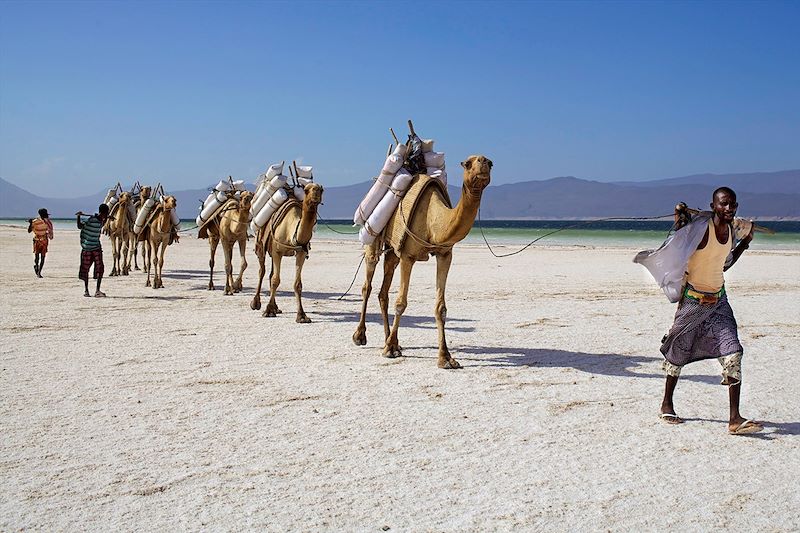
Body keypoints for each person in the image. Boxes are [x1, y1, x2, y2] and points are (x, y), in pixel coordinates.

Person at [634, 187, 761, 435]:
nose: (729, 209)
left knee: (734, 354)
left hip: (719, 301)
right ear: (713, 206)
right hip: (693, 300)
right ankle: (666, 403)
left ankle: (734, 419)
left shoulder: (730, 234)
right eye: (723, 204)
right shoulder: (701, 231)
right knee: (677, 353)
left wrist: (745, 242)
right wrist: (680, 219)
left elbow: (723, 264)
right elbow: (680, 243)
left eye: (732, 205)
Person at [76, 204, 110, 297]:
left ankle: (97, 290)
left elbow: (103, 222)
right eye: (106, 213)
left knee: (100, 269)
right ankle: (86, 290)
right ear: (103, 213)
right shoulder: (91, 220)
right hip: (87, 248)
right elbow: (80, 226)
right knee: (85, 269)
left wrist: (107, 217)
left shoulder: (101, 221)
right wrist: (78, 217)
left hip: (96, 247)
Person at [27, 208, 54, 277]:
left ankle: (39, 272)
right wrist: (30, 223)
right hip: (36, 240)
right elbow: (29, 231)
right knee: (36, 257)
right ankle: (36, 266)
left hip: (44, 241)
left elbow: (50, 230)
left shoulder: (48, 222)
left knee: (43, 256)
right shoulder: (35, 221)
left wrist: (49, 234)